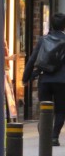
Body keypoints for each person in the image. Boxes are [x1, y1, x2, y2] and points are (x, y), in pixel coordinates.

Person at [23, 12, 65, 146]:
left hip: (45, 79)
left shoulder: (43, 40)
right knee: (60, 110)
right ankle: (54, 137)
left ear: (51, 25)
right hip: (62, 81)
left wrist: (26, 77)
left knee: (44, 108)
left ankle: (44, 131)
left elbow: (32, 60)